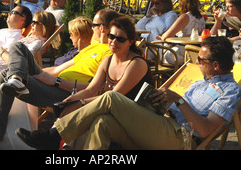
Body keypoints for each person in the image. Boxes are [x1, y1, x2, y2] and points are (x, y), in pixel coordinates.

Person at [16, 36, 241, 151]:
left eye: (201, 60)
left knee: (113, 97)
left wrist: (179, 99)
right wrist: (159, 100)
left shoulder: (230, 91)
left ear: (217, 65)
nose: (197, 62)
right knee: (103, 122)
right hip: (163, 123)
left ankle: (55, 136)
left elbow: (204, 129)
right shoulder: (201, 81)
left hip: (182, 138)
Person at [0, 8, 119, 150]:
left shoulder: (110, 54)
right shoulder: (91, 49)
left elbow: (96, 90)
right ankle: (16, 77)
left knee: (5, 76)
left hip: (69, 95)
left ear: (102, 28)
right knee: (18, 47)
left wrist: (56, 82)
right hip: (53, 84)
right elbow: (55, 70)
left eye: (93, 25)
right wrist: (28, 71)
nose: (91, 29)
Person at [54, 16, 152, 118]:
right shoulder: (108, 60)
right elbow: (91, 90)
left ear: (130, 42)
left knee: (91, 118)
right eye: (111, 36)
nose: (114, 42)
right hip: (111, 111)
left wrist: (80, 103)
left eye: (120, 39)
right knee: (69, 113)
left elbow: (112, 97)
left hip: (133, 116)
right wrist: (72, 99)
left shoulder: (136, 64)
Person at [0, 10, 56, 78]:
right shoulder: (29, 38)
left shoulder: (37, 43)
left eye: (35, 22)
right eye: (32, 22)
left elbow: (22, 62)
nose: (32, 24)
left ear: (43, 26)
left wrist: (1, 52)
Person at [158, 0, 206, 65]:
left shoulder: (185, 17)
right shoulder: (201, 18)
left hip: (182, 53)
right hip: (196, 52)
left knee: (156, 47)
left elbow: (166, 36)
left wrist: (162, 36)